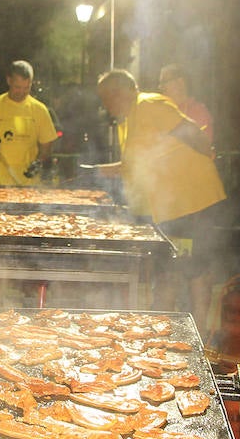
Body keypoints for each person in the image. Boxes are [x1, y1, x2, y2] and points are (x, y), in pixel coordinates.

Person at [93, 69, 226, 335]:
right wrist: (99, 171)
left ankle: (200, 337)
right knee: (169, 271)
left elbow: (192, 133)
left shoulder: (149, 104)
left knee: (195, 273)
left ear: (118, 93)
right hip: (169, 208)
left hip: (192, 202)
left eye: (105, 98)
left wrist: (205, 159)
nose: (105, 106)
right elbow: (136, 163)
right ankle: (167, 331)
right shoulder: (129, 120)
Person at [157, 64, 213, 137]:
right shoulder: (161, 111)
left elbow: (202, 145)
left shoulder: (199, 111)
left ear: (180, 82)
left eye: (165, 82)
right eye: (160, 83)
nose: (161, 87)